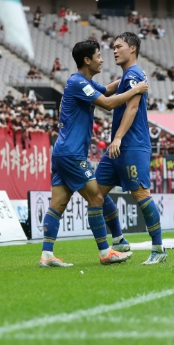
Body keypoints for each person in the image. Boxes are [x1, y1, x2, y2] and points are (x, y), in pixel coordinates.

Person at [39, 39, 148, 268]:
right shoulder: (78, 83)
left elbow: (108, 89)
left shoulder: (84, 83)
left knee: (58, 204)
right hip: (72, 155)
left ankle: (47, 255)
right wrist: (136, 89)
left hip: (62, 152)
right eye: (98, 56)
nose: (102, 59)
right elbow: (108, 103)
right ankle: (106, 251)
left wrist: (129, 76)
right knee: (98, 197)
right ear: (87, 60)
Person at [95, 32, 167, 265]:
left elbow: (132, 108)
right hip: (118, 147)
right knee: (95, 193)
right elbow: (107, 92)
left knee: (141, 195)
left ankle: (158, 248)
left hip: (131, 145)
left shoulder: (134, 74)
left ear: (133, 48)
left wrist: (116, 139)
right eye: (113, 47)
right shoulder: (130, 75)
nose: (114, 50)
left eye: (119, 46)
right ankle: (119, 240)